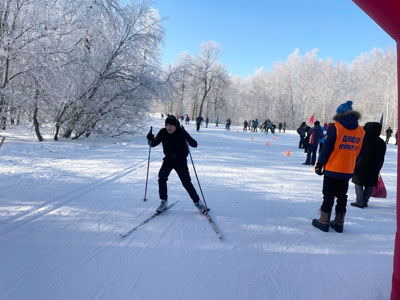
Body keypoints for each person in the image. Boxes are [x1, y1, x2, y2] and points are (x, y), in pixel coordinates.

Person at [312, 100, 365, 233]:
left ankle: (323, 221)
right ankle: (339, 223)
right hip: (348, 169)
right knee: (342, 196)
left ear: (340, 114)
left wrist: (319, 164)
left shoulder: (335, 127)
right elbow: (358, 152)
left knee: (328, 195)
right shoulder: (360, 130)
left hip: (333, 168)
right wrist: (353, 165)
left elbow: (327, 148)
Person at [146, 115, 206, 213]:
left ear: (175, 125)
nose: (169, 128)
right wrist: (149, 138)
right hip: (168, 160)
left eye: (171, 125)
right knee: (161, 177)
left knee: (186, 182)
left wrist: (188, 139)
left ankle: (197, 202)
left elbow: (195, 144)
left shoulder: (181, 132)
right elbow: (152, 144)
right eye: (167, 125)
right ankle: (163, 201)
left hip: (180, 161)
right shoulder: (163, 132)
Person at [351, 122, 386, 208]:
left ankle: (359, 201)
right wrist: (379, 166)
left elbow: (355, 152)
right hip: (374, 166)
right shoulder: (382, 142)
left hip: (360, 165)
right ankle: (365, 200)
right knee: (369, 184)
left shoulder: (361, 139)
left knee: (358, 183)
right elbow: (382, 156)